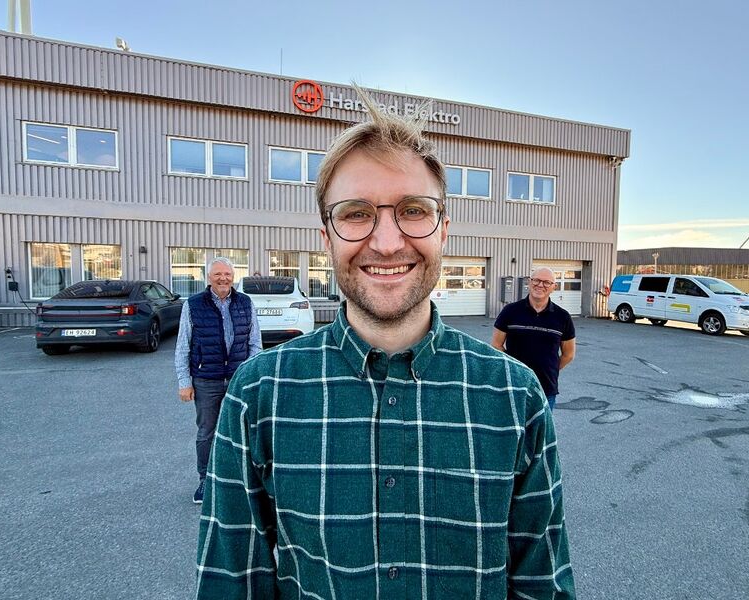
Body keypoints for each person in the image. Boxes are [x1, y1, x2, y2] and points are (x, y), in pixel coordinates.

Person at [195, 92, 575, 599]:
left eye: (414, 210)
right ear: (326, 237)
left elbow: (541, 585)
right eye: (355, 214)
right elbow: (230, 584)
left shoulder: (515, 396)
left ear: (444, 231)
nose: (388, 242)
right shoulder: (258, 396)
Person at [175, 257, 262, 504]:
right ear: (208, 278)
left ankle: (242, 479)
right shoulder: (193, 305)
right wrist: (185, 381)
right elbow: (183, 346)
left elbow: (254, 342)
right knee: (207, 432)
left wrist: (252, 377)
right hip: (206, 380)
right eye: (217, 274)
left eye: (227, 274)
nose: (223, 278)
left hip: (238, 380)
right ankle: (206, 480)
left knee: (242, 431)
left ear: (233, 276)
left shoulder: (245, 302)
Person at [491, 266, 576, 409]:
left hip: (545, 389)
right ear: (530, 282)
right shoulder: (510, 311)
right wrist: (514, 369)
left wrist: (551, 369)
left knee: (540, 431)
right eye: (536, 280)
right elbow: (496, 345)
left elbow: (569, 354)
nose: (540, 285)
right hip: (514, 386)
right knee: (512, 430)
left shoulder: (563, 317)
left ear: (553, 287)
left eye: (546, 282)